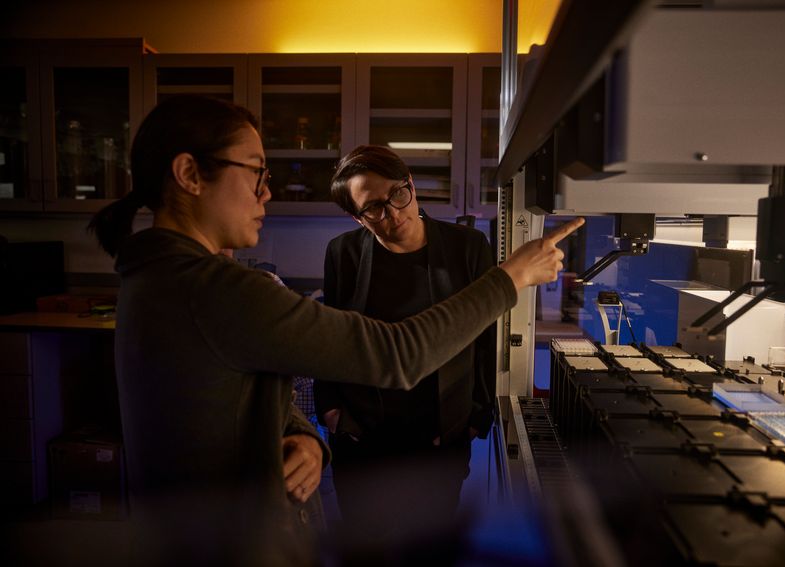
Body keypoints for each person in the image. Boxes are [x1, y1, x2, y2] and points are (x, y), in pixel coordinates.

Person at [87, 94, 584, 565]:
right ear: (190, 174)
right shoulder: (218, 288)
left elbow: (235, 402)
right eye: (256, 171)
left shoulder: (153, 276)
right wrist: (513, 275)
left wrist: (305, 437)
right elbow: (397, 354)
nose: (267, 191)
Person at [314, 145, 496, 546]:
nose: (394, 214)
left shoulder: (468, 248)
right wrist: (331, 409)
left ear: (410, 184)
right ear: (357, 218)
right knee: (363, 548)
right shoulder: (342, 253)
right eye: (374, 208)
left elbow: (485, 338)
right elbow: (331, 337)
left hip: (438, 437)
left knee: (430, 549)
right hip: (362, 436)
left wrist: (477, 415)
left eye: (398, 194)